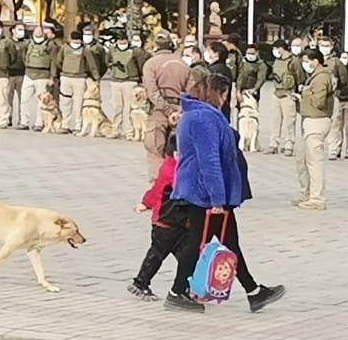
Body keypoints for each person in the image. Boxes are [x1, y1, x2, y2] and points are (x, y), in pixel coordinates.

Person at [164, 74, 283, 313]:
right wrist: (217, 197)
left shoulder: (199, 114)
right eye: (225, 94)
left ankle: (253, 291)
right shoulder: (203, 118)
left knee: (226, 241)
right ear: (216, 93)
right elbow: (209, 161)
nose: (226, 99)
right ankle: (177, 291)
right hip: (205, 192)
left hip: (206, 190)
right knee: (198, 242)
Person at [128, 132, 184, 301]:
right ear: (176, 153)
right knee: (158, 253)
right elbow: (157, 191)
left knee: (184, 255)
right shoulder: (172, 170)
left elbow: (155, 189)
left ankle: (185, 286)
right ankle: (140, 282)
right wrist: (146, 203)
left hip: (176, 222)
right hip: (165, 221)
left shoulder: (173, 166)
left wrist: (145, 203)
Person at [141, 30, 190, 178]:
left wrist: (167, 110)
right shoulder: (183, 64)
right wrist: (178, 111)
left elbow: (152, 92)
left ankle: (159, 184)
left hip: (159, 111)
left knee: (155, 149)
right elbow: (190, 91)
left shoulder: (151, 64)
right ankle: (175, 181)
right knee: (176, 151)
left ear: (156, 45)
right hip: (179, 111)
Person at [294, 46, 333, 210]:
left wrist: (305, 92)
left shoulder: (321, 78)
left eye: (306, 61)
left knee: (314, 161)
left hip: (317, 121)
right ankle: (307, 192)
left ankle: (317, 198)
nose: (305, 64)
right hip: (308, 119)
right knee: (302, 159)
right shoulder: (314, 77)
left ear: (315, 61)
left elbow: (319, 101)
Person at [54, 29, 101, 134]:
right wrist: (61, 72)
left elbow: (92, 64)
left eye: (78, 40)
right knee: (65, 103)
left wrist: (96, 78)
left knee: (78, 103)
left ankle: (78, 126)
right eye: (74, 40)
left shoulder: (85, 50)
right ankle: (65, 125)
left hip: (79, 78)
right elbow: (58, 61)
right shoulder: (64, 48)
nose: (76, 42)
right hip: (66, 77)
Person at [110, 32, 150, 140]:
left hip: (130, 81)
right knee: (117, 107)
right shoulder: (112, 50)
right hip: (115, 81)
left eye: (124, 41)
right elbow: (108, 61)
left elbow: (141, 64)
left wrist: (140, 78)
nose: (122, 43)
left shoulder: (135, 51)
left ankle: (129, 132)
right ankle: (115, 129)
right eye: (120, 41)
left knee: (128, 108)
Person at [266, 39, 301, 156]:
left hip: (288, 94)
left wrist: (297, 94)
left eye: (276, 49)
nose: (275, 51)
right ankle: (274, 144)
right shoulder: (277, 60)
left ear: (281, 48)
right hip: (277, 93)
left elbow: (300, 76)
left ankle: (289, 144)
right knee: (275, 121)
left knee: (289, 122)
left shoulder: (293, 61)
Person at [20, 24, 55, 132]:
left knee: (41, 101)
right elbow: (23, 55)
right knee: (24, 99)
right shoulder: (28, 43)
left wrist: (52, 76)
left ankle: (39, 123)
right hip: (29, 74)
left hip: (43, 75)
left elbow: (53, 60)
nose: (38, 32)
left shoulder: (50, 44)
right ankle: (24, 122)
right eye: (36, 30)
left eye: (40, 30)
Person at [329, 46, 348, 160]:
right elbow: (333, 81)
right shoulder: (336, 67)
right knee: (336, 126)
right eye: (343, 57)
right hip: (338, 98)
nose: (345, 59)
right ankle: (334, 149)